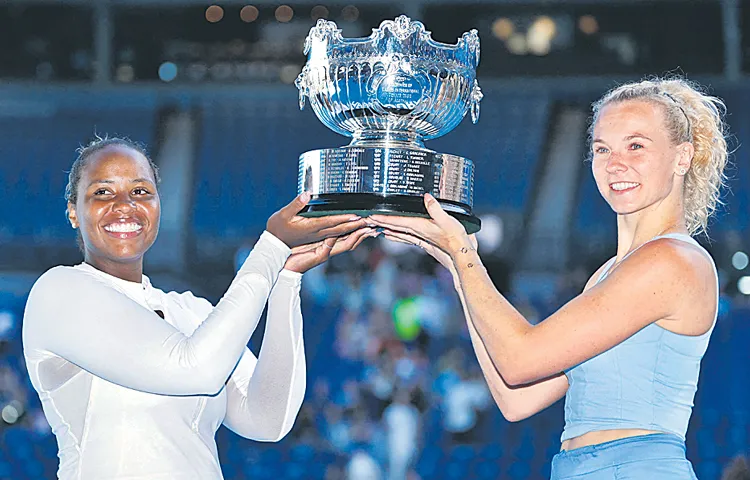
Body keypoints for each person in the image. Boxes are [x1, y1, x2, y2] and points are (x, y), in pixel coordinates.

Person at [369, 77, 728, 478]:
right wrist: (456, 267)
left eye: (636, 146)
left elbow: (521, 359)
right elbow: (515, 397)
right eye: (602, 149)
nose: (615, 163)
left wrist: (464, 254)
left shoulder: (671, 259)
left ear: (682, 158)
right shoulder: (609, 274)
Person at [22, 137, 374, 480]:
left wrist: (285, 279)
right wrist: (271, 248)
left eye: (141, 191)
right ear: (73, 211)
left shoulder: (190, 310)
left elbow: (267, 418)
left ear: (159, 205)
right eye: (103, 192)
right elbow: (195, 368)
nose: (124, 204)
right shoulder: (58, 292)